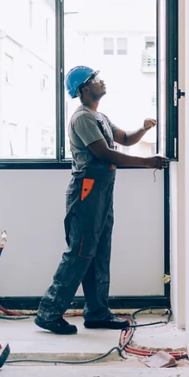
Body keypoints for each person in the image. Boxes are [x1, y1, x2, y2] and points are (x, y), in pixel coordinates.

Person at [34, 65, 169, 335]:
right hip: (86, 192)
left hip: (102, 192)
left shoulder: (100, 117)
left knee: (99, 251)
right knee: (80, 252)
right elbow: (105, 154)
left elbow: (125, 140)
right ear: (85, 88)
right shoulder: (82, 118)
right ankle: (49, 312)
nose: (101, 80)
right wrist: (147, 163)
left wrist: (142, 130)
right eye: (96, 79)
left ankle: (97, 312)